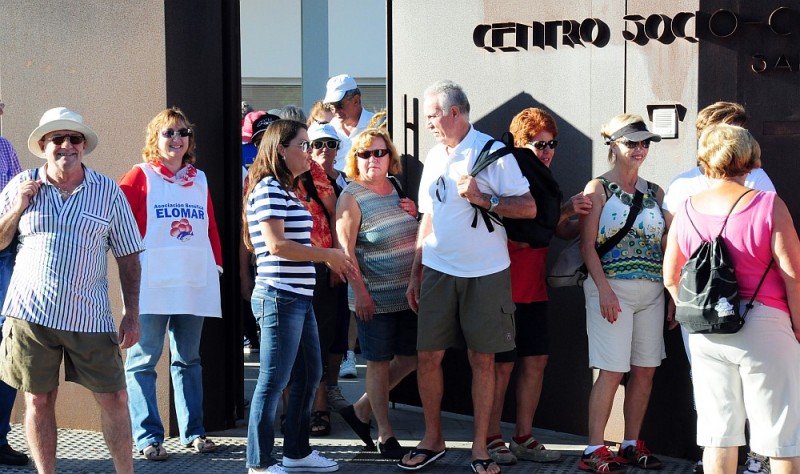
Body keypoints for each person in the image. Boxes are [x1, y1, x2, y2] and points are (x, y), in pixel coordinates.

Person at [0, 107, 144, 474]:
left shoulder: (107, 190)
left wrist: (131, 313)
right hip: (31, 314)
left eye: (74, 138)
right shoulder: (20, 184)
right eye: (57, 139)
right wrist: (18, 208)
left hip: (89, 314)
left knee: (115, 397)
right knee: (39, 400)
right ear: (44, 145)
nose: (66, 146)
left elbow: (128, 257)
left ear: (84, 146)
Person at [401, 80, 535, 474]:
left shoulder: (492, 152)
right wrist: (415, 272)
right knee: (428, 357)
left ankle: (480, 447)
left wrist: (484, 198)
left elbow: (528, 208)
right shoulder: (434, 154)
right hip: (438, 270)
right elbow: (428, 215)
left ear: (454, 113)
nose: (428, 122)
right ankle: (433, 439)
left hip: (486, 274)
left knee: (484, 360)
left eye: (432, 115)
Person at [663, 124, 800, 474]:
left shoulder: (688, 209)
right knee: (779, 437)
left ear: (706, 163)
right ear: (751, 160)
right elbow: (793, 273)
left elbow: (670, 275)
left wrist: (695, 313)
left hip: (708, 332)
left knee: (718, 438)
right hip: (765, 323)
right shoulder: (769, 205)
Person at [243, 119, 352, 474]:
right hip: (279, 297)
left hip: (297, 298)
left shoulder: (288, 189)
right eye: (303, 145)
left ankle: (297, 453)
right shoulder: (268, 188)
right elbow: (276, 246)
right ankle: (259, 463)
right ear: (280, 150)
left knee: (309, 374)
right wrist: (328, 256)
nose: (310, 152)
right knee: (274, 380)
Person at [486, 108, 591, 466]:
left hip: (534, 288)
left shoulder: (543, 178)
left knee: (536, 361)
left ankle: (523, 436)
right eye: (537, 144)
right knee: (502, 366)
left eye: (551, 144)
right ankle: (490, 436)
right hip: (504, 286)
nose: (546, 151)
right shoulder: (508, 174)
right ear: (519, 144)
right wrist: (563, 211)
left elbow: (555, 231)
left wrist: (587, 221)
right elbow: (529, 227)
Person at [119, 107, 222, 461]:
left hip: (193, 280)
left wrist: (217, 266)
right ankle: (147, 437)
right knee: (143, 360)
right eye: (168, 133)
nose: (177, 139)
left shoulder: (200, 178)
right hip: (151, 283)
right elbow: (118, 219)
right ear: (155, 138)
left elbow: (209, 226)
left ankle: (194, 432)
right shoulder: (140, 175)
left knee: (188, 359)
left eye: (182, 132)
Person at [577, 114, 668, 473]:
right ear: (613, 145)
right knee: (612, 371)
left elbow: (665, 246)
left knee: (645, 370)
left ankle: (631, 443)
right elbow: (587, 246)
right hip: (611, 287)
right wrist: (604, 291)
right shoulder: (597, 188)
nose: (640, 149)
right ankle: (594, 448)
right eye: (632, 142)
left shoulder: (655, 192)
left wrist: (673, 296)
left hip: (652, 290)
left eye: (645, 142)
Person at [336, 128, 419, 459]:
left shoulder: (396, 187)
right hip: (374, 298)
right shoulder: (351, 197)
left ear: (390, 157)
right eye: (365, 154)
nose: (373, 159)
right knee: (379, 363)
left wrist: (414, 214)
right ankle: (385, 433)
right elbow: (345, 253)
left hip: (408, 296)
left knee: (411, 358)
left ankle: (361, 410)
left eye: (379, 153)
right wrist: (361, 294)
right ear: (355, 159)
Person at [305, 122, 351, 415]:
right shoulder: (302, 178)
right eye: (317, 144)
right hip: (313, 264)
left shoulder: (347, 182)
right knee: (317, 333)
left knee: (337, 331)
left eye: (330, 144)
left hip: (341, 264)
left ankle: (330, 387)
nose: (324, 149)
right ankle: (315, 394)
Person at [0, 101, 29, 467]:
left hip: (5, 257)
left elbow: (21, 194)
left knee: (7, 347)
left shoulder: (5, 147)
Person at [241, 112, 281, 354]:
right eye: (258, 141)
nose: (263, 146)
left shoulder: (307, 171)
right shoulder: (252, 180)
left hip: (310, 275)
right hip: (269, 274)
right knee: (275, 354)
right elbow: (244, 230)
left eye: (269, 138)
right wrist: (244, 275)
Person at [323, 74, 375, 174]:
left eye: (339, 105)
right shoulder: (330, 129)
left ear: (356, 100)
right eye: (331, 107)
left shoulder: (375, 126)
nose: (335, 111)